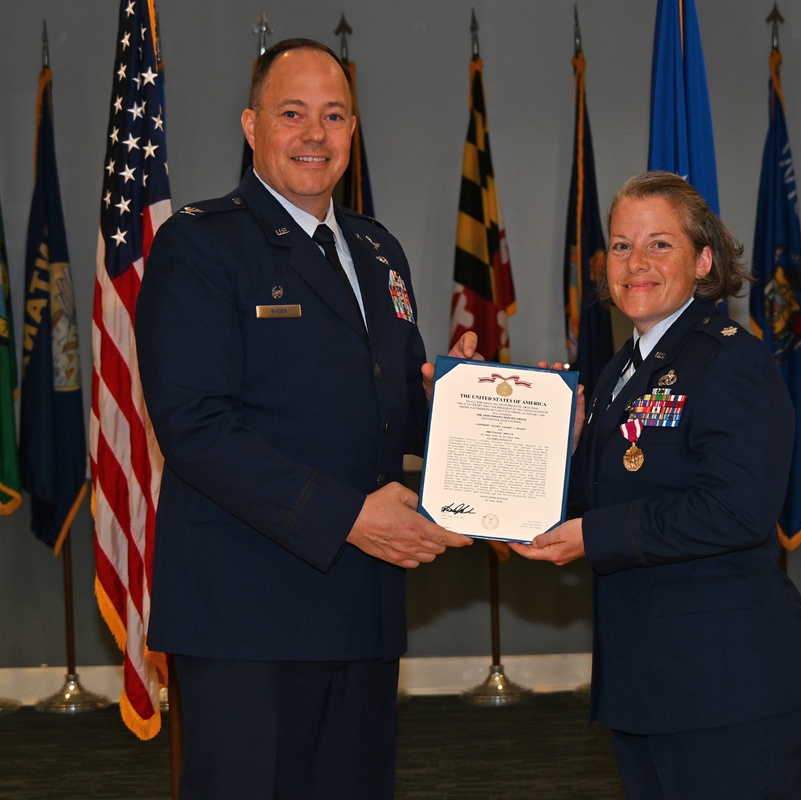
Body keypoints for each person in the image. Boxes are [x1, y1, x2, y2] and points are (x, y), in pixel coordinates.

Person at [135, 38, 474, 799]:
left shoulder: (379, 252)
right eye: (293, 114)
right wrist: (348, 516)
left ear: (353, 132)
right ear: (251, 126)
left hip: (362, 610)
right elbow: (195, 426)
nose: (314, 135)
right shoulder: (199, 244)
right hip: (248, 618)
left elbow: (394, 407)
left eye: (333, 116)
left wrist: (480, 405)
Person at [512, 172, 801, 799]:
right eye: (622, 245)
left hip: (727, 686)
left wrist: (591, 536)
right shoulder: (618, 372)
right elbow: (610, 493)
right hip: (648, 685)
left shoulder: (732, 359)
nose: (636, 264)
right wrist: (555, 447)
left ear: (703, 260)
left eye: (660, 245)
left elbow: (736, 511)